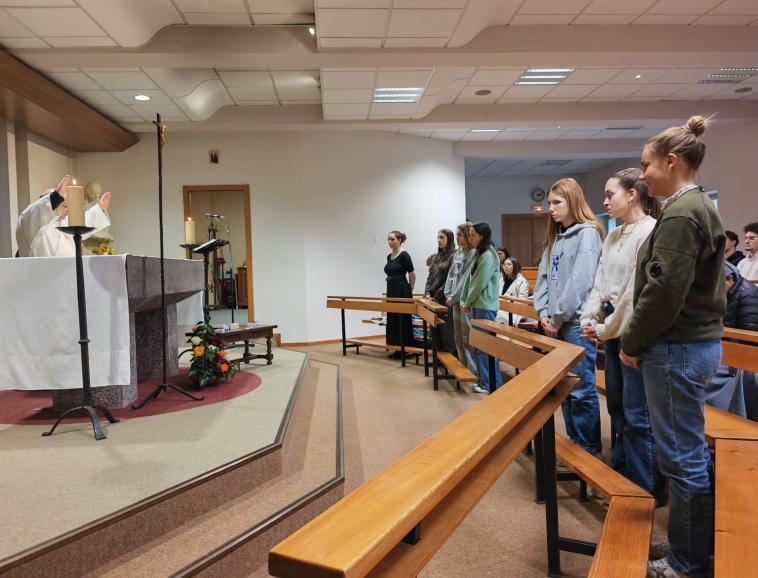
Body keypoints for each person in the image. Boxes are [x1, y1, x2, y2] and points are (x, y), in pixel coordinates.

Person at [619, 115, 726, 578]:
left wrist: (631, 340)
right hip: (687, 345)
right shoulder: (691, 205)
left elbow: (663, 293)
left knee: (682, 459)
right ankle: (689, 546)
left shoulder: (683, 213)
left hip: (678, 346)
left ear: (671, 161)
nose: (643, 175)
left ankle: (687, 563)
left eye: (646, 165)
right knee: (686, 455)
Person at [580, 168, 661, 497]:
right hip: (612, 327)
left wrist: (604, 328)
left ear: (632, 195)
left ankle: (645, 489)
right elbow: (600, 283)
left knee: (638, 415)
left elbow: (633, 294)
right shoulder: (613, 235)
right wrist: (589, 316)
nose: (604, 201)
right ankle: (623, 474)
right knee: (616, 407)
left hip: (633, 331)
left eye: (609, 194)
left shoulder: (649, 231)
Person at [534, 178, 604, 458]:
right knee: (564, 387)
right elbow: (542, 279)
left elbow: (581, 282)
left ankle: (588, 447)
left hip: (575, 322)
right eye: (549, 203)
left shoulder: (587, 234)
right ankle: (575, 441)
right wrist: (543, 313)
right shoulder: (556, 236)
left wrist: (557, 317)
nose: (550, 208)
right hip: (555, 321)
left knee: (581, 387)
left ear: (572, 201)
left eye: (556, 203)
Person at [704, 262, 758, 416]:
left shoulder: (749, 294)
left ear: (730, 279)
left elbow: (749, 335)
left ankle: (718, 414)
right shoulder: (722, 294)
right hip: (724, 347)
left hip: (741, 355)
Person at [16, 175, 112, 257]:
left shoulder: (61, 222)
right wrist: (55, 198)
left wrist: (99, 210)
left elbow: (81, 225)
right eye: (65, 206)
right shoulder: (32, 224)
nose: (68, 210)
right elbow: (33, 213)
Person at [461, 222, 503, 394]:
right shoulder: (480, 252)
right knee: (480, 346)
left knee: (486, 347)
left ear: (482, 236)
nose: (470, 238)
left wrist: (467, 302)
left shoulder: (488, 255)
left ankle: (492, 384)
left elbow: (479, 283)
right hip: (479, 304)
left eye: (473, 235)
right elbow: (469, 279)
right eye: (469, 235)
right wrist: (465, 300)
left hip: (485, 305)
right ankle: (486, 382)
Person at [444, 222, 477, 374]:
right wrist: (448, 293)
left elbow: (465, 279)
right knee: (457, 336)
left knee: (466, 336)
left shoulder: (473, 253)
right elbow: (451, 275)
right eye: (456, 235)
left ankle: (473, 371)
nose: (457, 238)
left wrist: (455, 296)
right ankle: (463, 367)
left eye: (460, 235)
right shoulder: (458, 253)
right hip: (454, 299)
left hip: (464, 300)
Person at [384, 230, 415, 359]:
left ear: (400, 240)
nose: (390, 242)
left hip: (402, 289)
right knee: (393, 317)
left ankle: (405, 348)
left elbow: (412, 274)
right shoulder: (389, 256)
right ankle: (396, 347)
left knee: (402, 318)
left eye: (392, 239)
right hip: (391, 289)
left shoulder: (404, 255)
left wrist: (409, 291)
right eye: (388, 239)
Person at [425, 229, 455, 353]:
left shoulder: (453, 256)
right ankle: (437, 359)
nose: (438, 240)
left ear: (449, 239)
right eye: (437, 237)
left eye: (442, 237)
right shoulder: (437, 257)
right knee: (435, 332)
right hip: (432, 300)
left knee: (446, 333)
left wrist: (437, 296)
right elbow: (430, 278)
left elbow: (449, 280)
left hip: (443, 300)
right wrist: (427, 292)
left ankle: (450, 359)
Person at [496, 257, 529, 326]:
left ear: (515, 267)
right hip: (500, 309)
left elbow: (522, 301)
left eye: (509, 264)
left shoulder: (522, 281)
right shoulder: (501, 280)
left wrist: (507, 301)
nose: (506, 266)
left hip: (514, 312)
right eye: (504, 265)